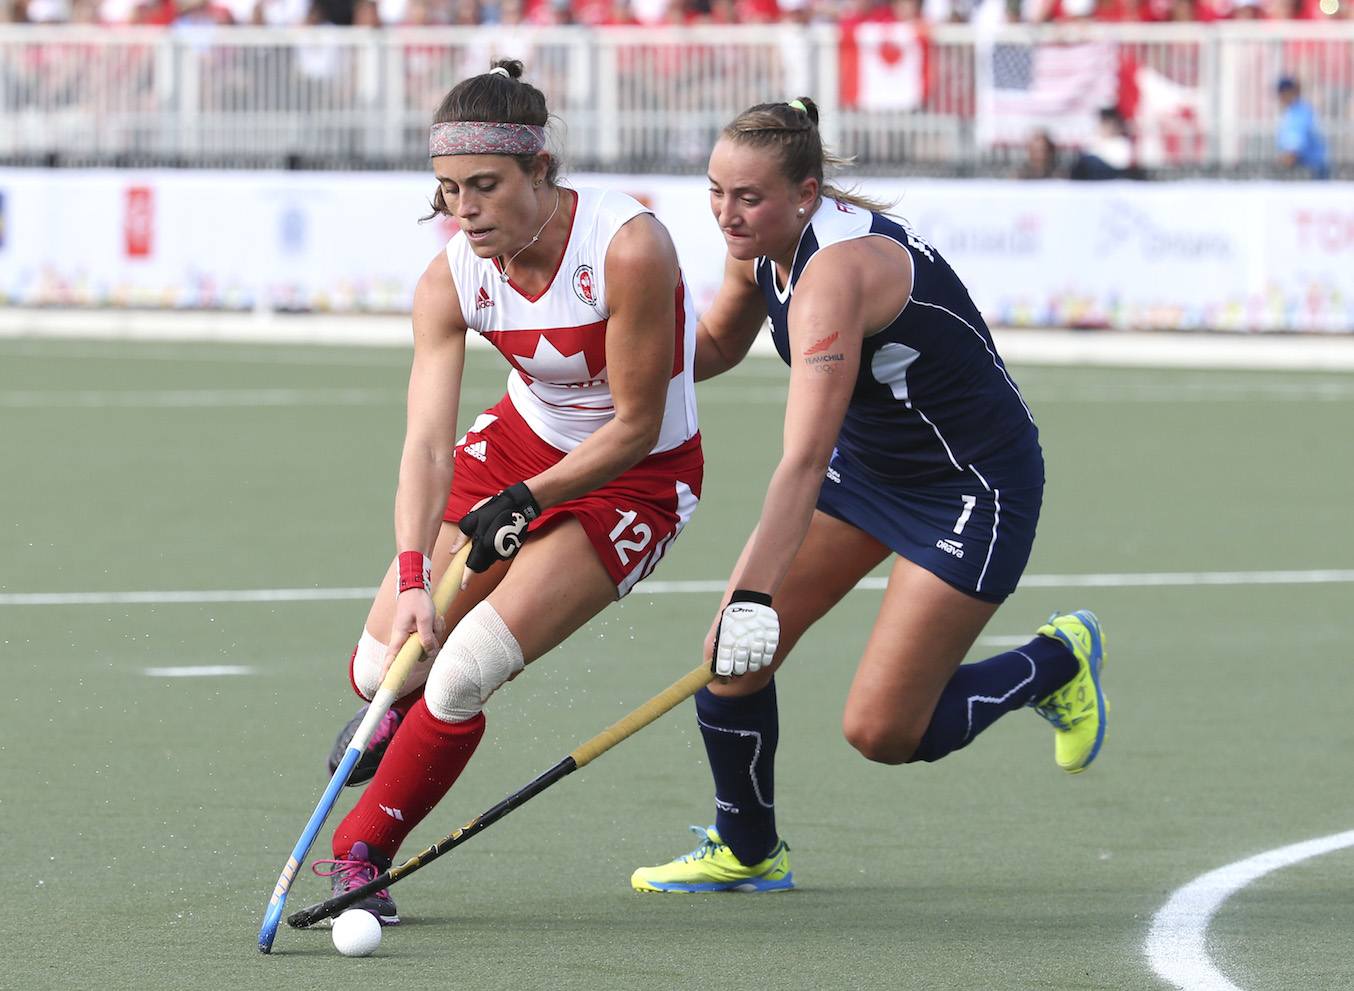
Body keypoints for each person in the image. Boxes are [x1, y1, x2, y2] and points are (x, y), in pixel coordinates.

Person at [629, 98, 1108, 893]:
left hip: (970, 487)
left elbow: (803, 458)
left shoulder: (834, 275)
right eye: (715, 191)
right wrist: (600, 364)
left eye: (748, 197)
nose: (727, 213)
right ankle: (748, 851)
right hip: (874, 467)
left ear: (806, 194)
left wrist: (752, 595)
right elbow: (711, 343)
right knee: (730, 661)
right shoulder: (758, 248)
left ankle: (1056, 660)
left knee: (883, 731)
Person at [309, 58, 703, 924]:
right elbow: (426, 443)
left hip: (637, 475)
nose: (465, 210)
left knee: (461, 671)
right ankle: (396, 710)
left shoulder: (627, 246)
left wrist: (525, 503)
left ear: (540, 169)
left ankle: (361, 853)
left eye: (485, 186)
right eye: (449, 190)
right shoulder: (450, 277)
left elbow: (637, 426)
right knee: (381, 666)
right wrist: (414, 575)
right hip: (518, 445)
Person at [1275, 76, 1330, 179]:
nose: (1280, 97)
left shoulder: (1300, 112)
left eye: (1283, 93)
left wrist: (1288, 157)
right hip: (1307, 166)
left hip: (1311, 169)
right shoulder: (1292, 111)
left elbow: (1295, 141)